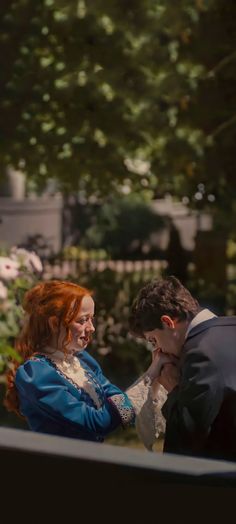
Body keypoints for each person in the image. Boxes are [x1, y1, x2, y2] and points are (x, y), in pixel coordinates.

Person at [5, 280, 137, 442]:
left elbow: (114, 395)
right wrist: (134, 395)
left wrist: (122, 404)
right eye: (82, 320)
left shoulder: (82, 359)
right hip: (61, 464)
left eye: (91, 319)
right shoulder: (36, 373)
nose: (91, 327)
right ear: (54, 323)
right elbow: (97, 423)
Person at [129, 275, 236, 462]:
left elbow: (186, 439)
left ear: (168, 323)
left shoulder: (201, 354)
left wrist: (174, 389)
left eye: (153, 340)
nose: (158, 351)